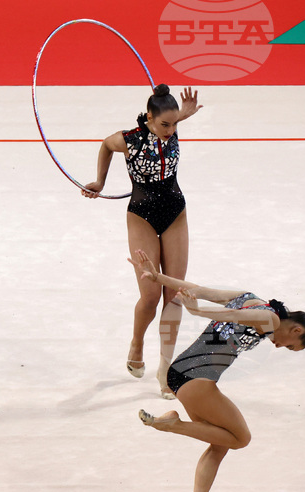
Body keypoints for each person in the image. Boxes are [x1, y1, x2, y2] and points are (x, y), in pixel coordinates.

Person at [130, 250, 305, 492]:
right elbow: (224, 311)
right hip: (197, 378)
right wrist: (196, 310)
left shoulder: (249, 297)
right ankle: (172, 425)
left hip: (179, 373)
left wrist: (158, 276)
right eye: (290, 345)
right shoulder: (270, 321)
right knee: (241, 438)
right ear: (295, 331)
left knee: (220, 443)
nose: (280, 347)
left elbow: (198, 289)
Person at [84, 84, 203, 398]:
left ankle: (166, 369)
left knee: (174, 294)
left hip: (175, 212)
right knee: (150, 297)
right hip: (142, 215)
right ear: (149, 117)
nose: (171, 130)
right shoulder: (128, 139)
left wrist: (183, 115)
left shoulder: (170, 127)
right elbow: (105, 146)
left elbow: (173, 120)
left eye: (175, 124)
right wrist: (100, 181)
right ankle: (137, 342)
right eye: (165, 124)